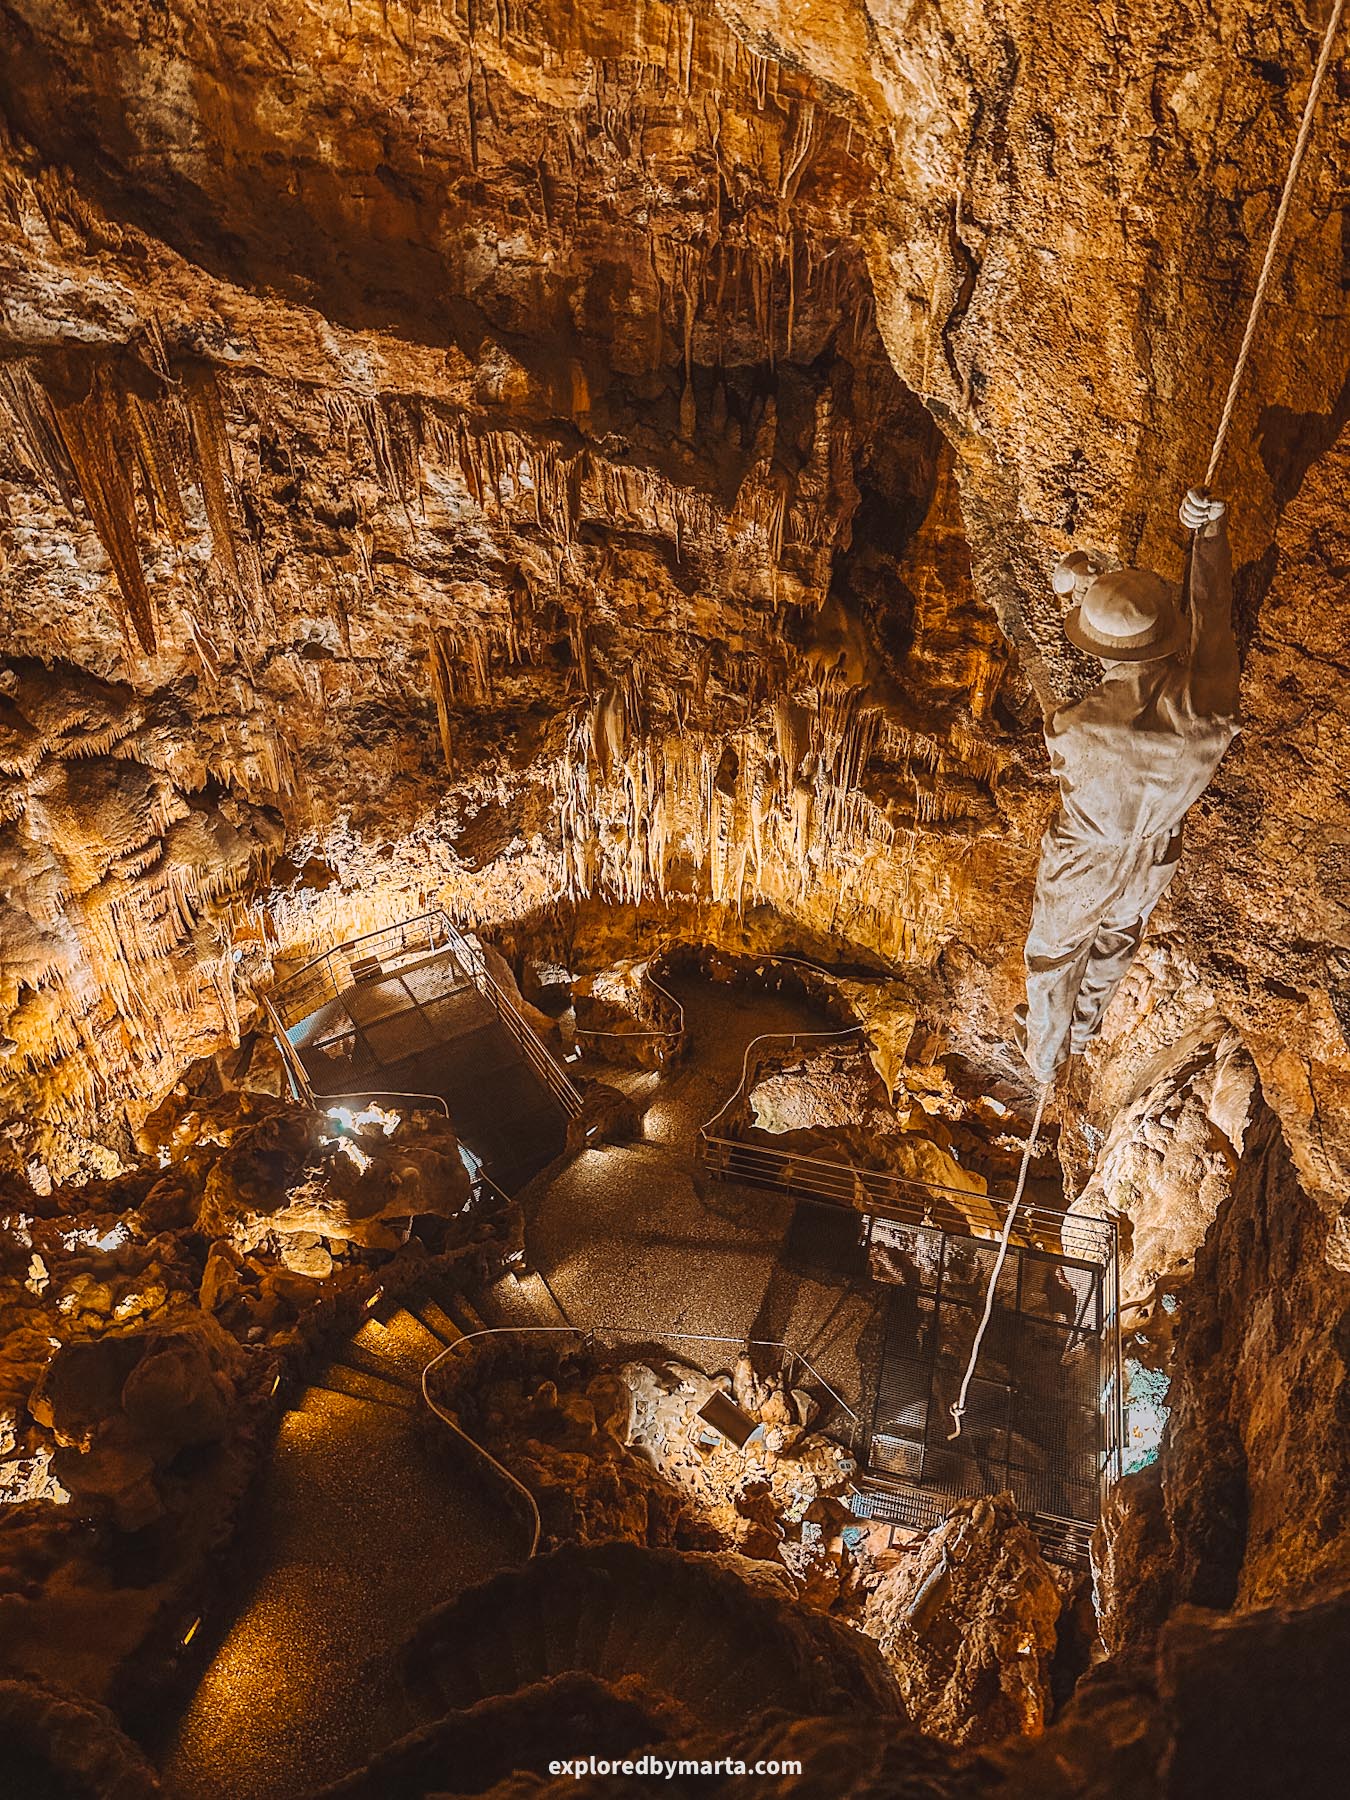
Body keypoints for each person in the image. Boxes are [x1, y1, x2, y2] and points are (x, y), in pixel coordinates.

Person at [1014, 488, 1239, 1084]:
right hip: (1156, 845)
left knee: (1054, 955)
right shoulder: (1210, 708)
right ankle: (1082, 1030)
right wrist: (1208, 539)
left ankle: (1043, 1057)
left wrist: (1080, 589)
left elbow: (1068, 736)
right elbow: (1213, 617)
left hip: (1087, 855)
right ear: (1167, 635)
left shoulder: (1076, 726)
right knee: (1118, 934)